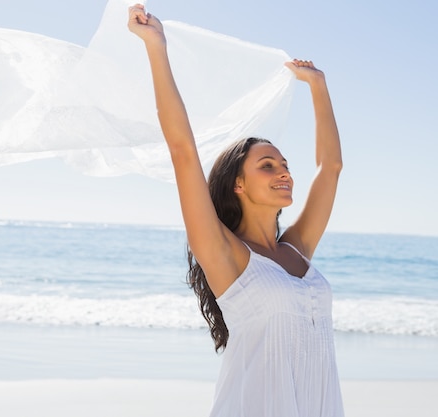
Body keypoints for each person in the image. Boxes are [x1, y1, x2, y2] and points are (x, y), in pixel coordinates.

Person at [128, 5, 344, 416]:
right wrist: (156, 48)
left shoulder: (296, 250)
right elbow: (183, 152)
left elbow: (330, 168)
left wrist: (318, 86)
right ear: (237, 184)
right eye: (268, 166)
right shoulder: (225, 253)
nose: (284, 173)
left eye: (284, 165)